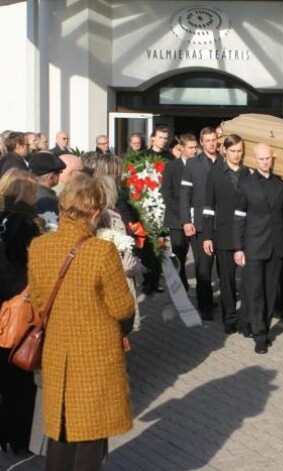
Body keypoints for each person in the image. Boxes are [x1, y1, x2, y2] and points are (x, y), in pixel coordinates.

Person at [27, 172, 135, 470]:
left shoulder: (39, 247)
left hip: (57, 351)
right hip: (95, 356)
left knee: (60, 431)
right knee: (90, 434)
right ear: (96, 212)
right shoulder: (101, 251)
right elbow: (123, 307)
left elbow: (37, 302)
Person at [0, 169, 42, 455]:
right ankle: (18, 438)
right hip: (16, 309)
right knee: (20, 374)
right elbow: (33, 268)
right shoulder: (26, 224)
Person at [233, 143, 283, 354]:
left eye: (268, 159)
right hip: (254, 244)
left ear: (272, 159)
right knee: (255, 290)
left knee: (270, 290)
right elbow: (238, 217)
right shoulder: (244, 183)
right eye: (262, 159)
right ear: (255, 160)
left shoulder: (280, 185)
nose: (265, 162)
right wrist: (238, 248)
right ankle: (260, 334)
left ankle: (264, 326)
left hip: (276, 245)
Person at [203, 134, 250, 334]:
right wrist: (206, 235)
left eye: (240, 151)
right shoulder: (215, 173)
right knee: (227, 280)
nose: (236, 155)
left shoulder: (248, 173)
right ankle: (229, 318)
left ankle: (247, 319)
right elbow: (208, 207)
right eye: (233, 151)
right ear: (224, 151)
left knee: (248, 280)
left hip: (247, 234)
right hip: (222, 233)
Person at [180, 127, 221, 319]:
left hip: (222, 224)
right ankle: (204, 306)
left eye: (214, 139)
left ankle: (221, 302)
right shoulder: (192, 164)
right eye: (208, 140)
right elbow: (184, 195)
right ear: (201, 143)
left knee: (222, 268)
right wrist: (186, 221)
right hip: (200, 224)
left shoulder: (224, 160)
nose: (212, 143)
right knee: (203, 267)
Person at [162, 134, 196, 291]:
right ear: (181, 147)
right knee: (179, 253)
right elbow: (167, 194)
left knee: (197, 255)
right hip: (176, 219)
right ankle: (181, 286)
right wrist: (184, 214)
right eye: (190, 147)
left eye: (195, 147)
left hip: (196, 218)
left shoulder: (200, 166)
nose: (194, 150)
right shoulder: (172, 166)